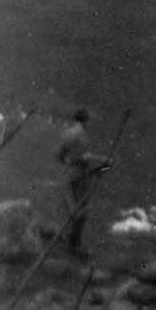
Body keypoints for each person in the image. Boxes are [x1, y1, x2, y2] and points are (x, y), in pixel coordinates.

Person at [54, 107, 109, 257]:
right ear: (85, 121)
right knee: (82, 209)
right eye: (89, 121)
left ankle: (70, 241)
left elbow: (58, 155)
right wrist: (102, 161)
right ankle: (74, 244)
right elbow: (83, 157)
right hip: (79, 175)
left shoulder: (67, 133)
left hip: (68, 175)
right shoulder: (81, 135)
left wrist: (68, 162)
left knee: (72, 207)